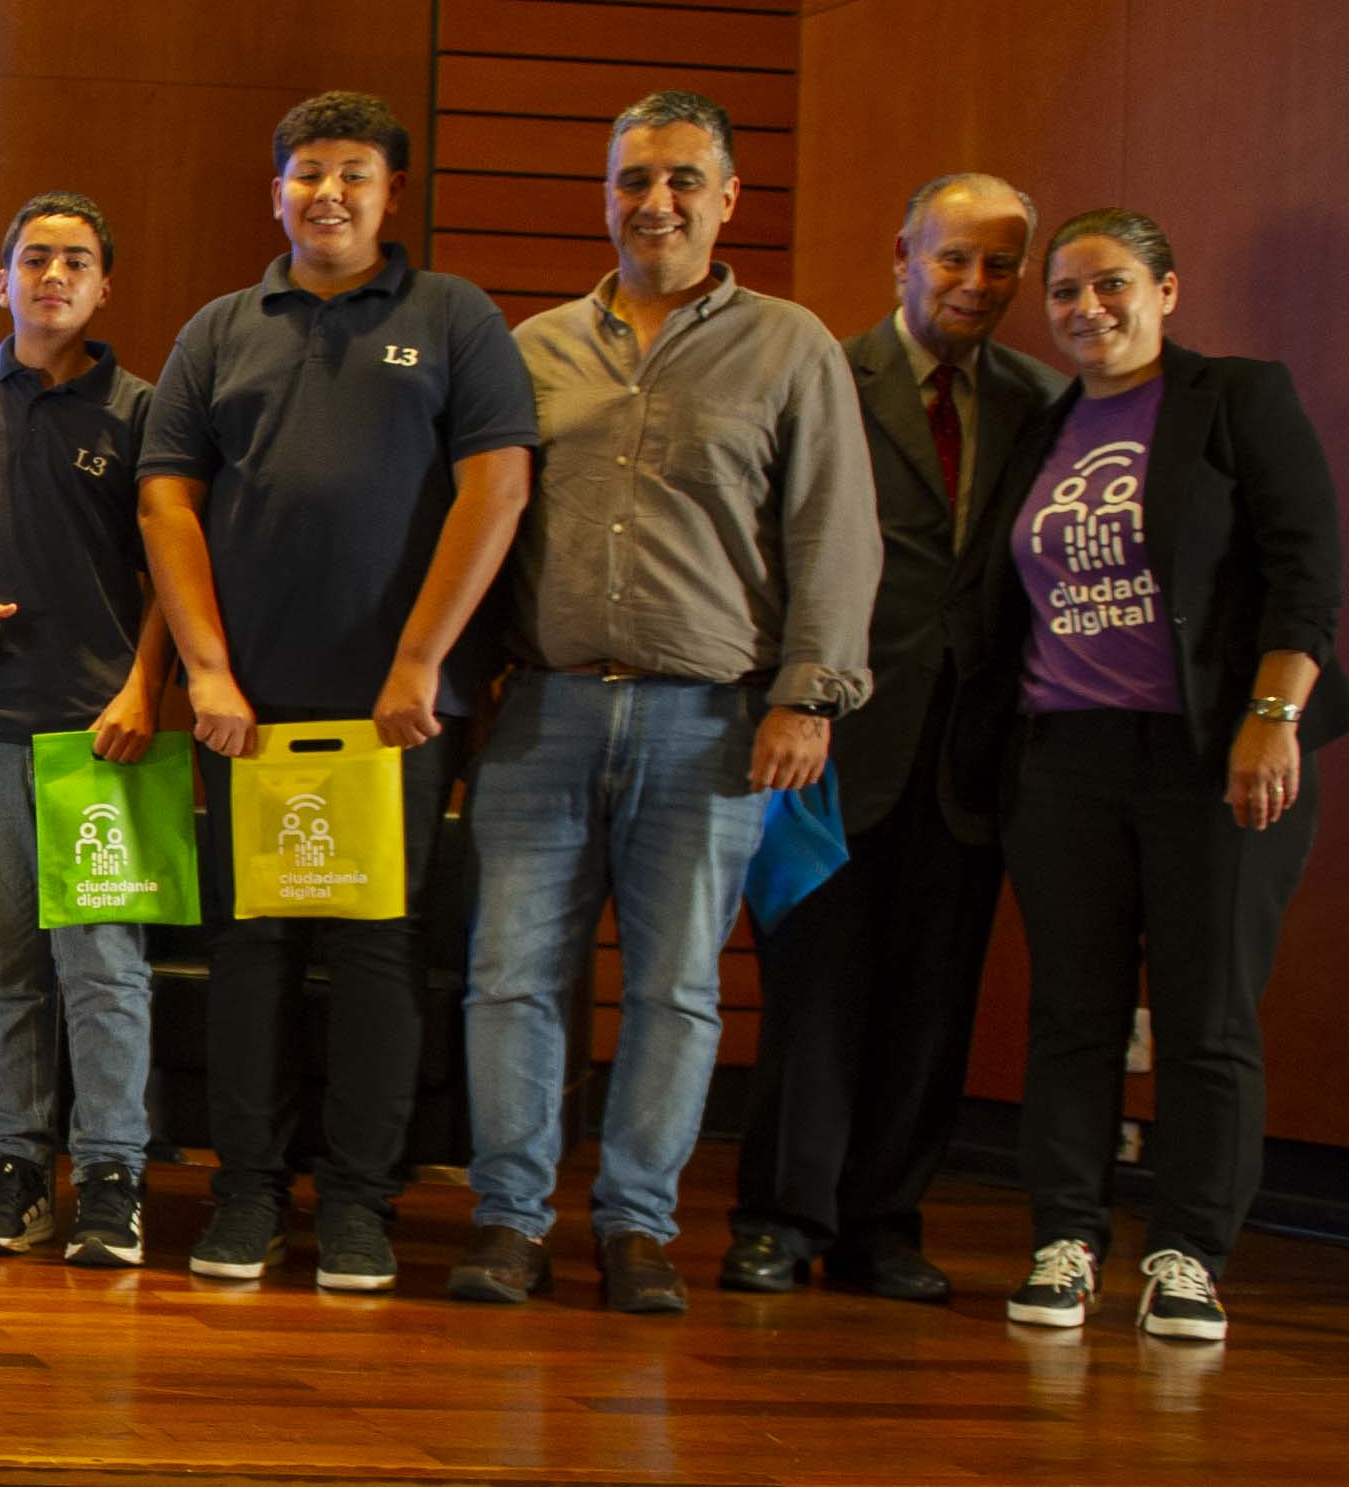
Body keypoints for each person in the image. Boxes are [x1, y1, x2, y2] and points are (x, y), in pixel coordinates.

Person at [456, 91, 879, 1313]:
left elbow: (833, 536)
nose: (656, 201)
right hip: (541, 713)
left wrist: (808, 697)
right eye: (634, 178)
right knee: (509, 978)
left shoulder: (790, 346)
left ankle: (635, 1227)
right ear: (605, 191)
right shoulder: (530, 348)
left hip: (714, 721)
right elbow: (480, 526)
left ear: (728, 195)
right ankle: (506, 1220)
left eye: (682, 179)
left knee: (676, 986)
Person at [139, 94, 538, 1291]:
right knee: (248, 949)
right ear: (275, 191)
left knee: (377, 951)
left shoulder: (453, 316)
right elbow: (167, 504)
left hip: (395, 715)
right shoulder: (217, 329)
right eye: (305, 172)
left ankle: (359, 1203)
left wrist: (418, 663)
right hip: (246, 713)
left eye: (352, 174)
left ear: (388, 193)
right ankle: (246, 1192)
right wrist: (204, 670)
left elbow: (497, 490)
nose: (327, 194)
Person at [963, 208, 1338, 1343]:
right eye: (1066, 291)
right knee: (1071, 1015)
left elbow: (1306, 570)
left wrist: (1270, 717)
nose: (1086, 309)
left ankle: (1185, 1254)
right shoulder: (1042, 421)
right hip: (1062, 761)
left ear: (1165, 291)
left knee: (1203, 1017)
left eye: (1112, 285)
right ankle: (1064, 1238)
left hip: (1212, 760)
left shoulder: (1234, 398)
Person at [724, 173, 1054, 1302]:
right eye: (950, 257)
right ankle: (776, 1216)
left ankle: (881, 1223)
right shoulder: (823, 371)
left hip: (968, 754)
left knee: (928, 999)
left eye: (997, 264)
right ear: (900, 255)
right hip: (826, 741)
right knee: (811, 991)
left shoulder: (1039, 398)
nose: (972, 283)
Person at [0, 192, 185, 1266]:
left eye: (75, 260)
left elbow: (175, 569)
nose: (51, 276)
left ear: (103, 285)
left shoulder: (146, 408)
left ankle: (114, 1173)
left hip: (105, 731)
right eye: (32, 259)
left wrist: (144, 691)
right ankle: (16, 1168)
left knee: (102, 963)